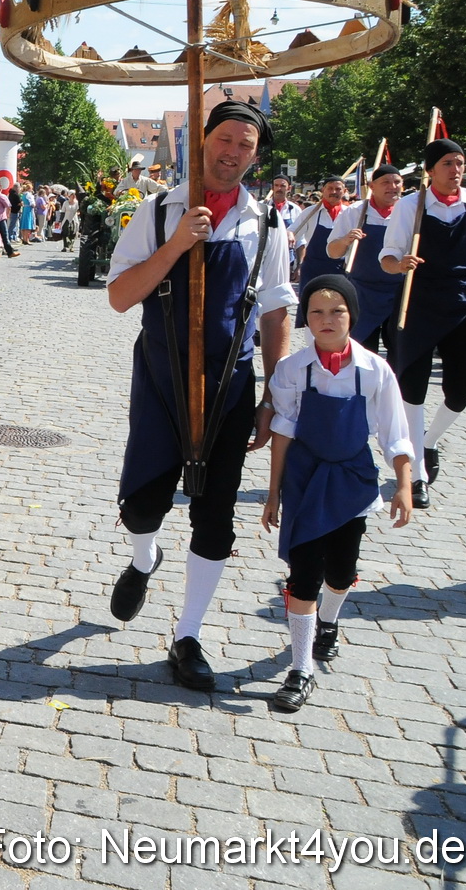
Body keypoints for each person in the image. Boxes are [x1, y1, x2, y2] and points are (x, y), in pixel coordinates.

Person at [104, 100, 293, 693]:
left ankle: (187, 636)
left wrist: (273, 396)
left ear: (255, 157)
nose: (234, 152)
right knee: (140, 503)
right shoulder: (159, 212)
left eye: (247, 145)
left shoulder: (267, 224)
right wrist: (176, 247)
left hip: (230, 386)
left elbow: (276, 309)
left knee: (215, 517)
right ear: (203, 140)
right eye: (226, 139)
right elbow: (118, 297)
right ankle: (143, 557)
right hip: (162, 375)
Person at [260, 273, 412, 711]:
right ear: (306, 319)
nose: (327, 320)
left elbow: (394, 432)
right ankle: (301, 669)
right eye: (317, 312)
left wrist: (403, 484)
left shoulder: (374, 370)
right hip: (305, 481)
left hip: (351, 481)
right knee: (303, 573)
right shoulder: (292, 370)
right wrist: (274, 493)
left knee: (341, 572)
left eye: (337, 311)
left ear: (352, 316)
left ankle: (329, 619)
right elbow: (283, 430)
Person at [378, 138, 466, 507]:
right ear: (430, 170)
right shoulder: (410, 207)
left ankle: (427, 441)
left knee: (460, 393)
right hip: (418, 302)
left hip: (462, 302)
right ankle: (416, 474)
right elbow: (387, 255)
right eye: (447, 163)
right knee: (413, 388)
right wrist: (400, 264)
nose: (456, 170)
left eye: (460, 163)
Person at [326, 164, 405, 353]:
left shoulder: (408, 211)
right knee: (362, 350)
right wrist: (346, 240)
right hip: (362, 292)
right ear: (371, 186)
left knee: (399, 350)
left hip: (399, 291)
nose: (392, 187)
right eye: (385, 182)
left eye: (397, 182)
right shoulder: (355, 212)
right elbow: (332, 252)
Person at [289, 175, 348, 314]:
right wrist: (289, 235)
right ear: (323, 190)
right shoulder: (310, 212)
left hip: (340, 270)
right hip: (313, 270)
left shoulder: (350, 214)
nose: (334, 192)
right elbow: (293, 232)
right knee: (312, 310)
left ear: (344, 191)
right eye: (330, 188)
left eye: (338, 189)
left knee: (338, 310)